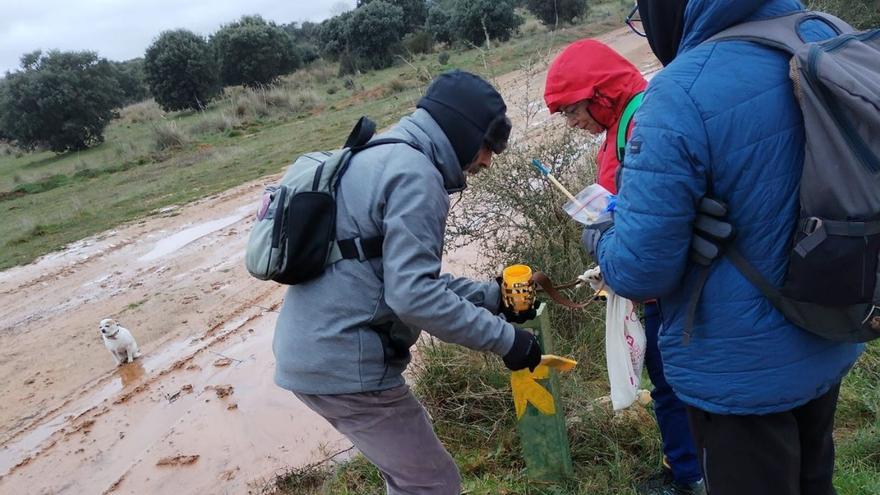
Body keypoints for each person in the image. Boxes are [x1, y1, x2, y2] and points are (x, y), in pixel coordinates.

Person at [582, 1, 864, 494]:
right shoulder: (825, 30)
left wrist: (602, 234)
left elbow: (639, 269)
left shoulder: (679, 93)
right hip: (832, 325)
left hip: (739, 370)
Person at [272, 70, 543, 495]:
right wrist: (507, 340)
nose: (487, 161)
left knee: (409, 476)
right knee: (433, 483)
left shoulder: (380, 154)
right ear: (463, 132)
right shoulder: (418, 176)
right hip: (346, 365)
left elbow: (394, 277)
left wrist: (493, 298)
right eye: (488, 146)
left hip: (314, 352)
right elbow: (413, 296)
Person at [544, 39, 704, 495]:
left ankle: (690, 475)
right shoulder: (626, 122)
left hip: (664, 285)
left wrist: (599, 235)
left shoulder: (638, 125)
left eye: (573, 111)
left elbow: (647, 214)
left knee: (672, 383)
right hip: (660, 279)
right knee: (670, 381)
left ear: (600, 94)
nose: (573, 123)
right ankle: (689, 467)